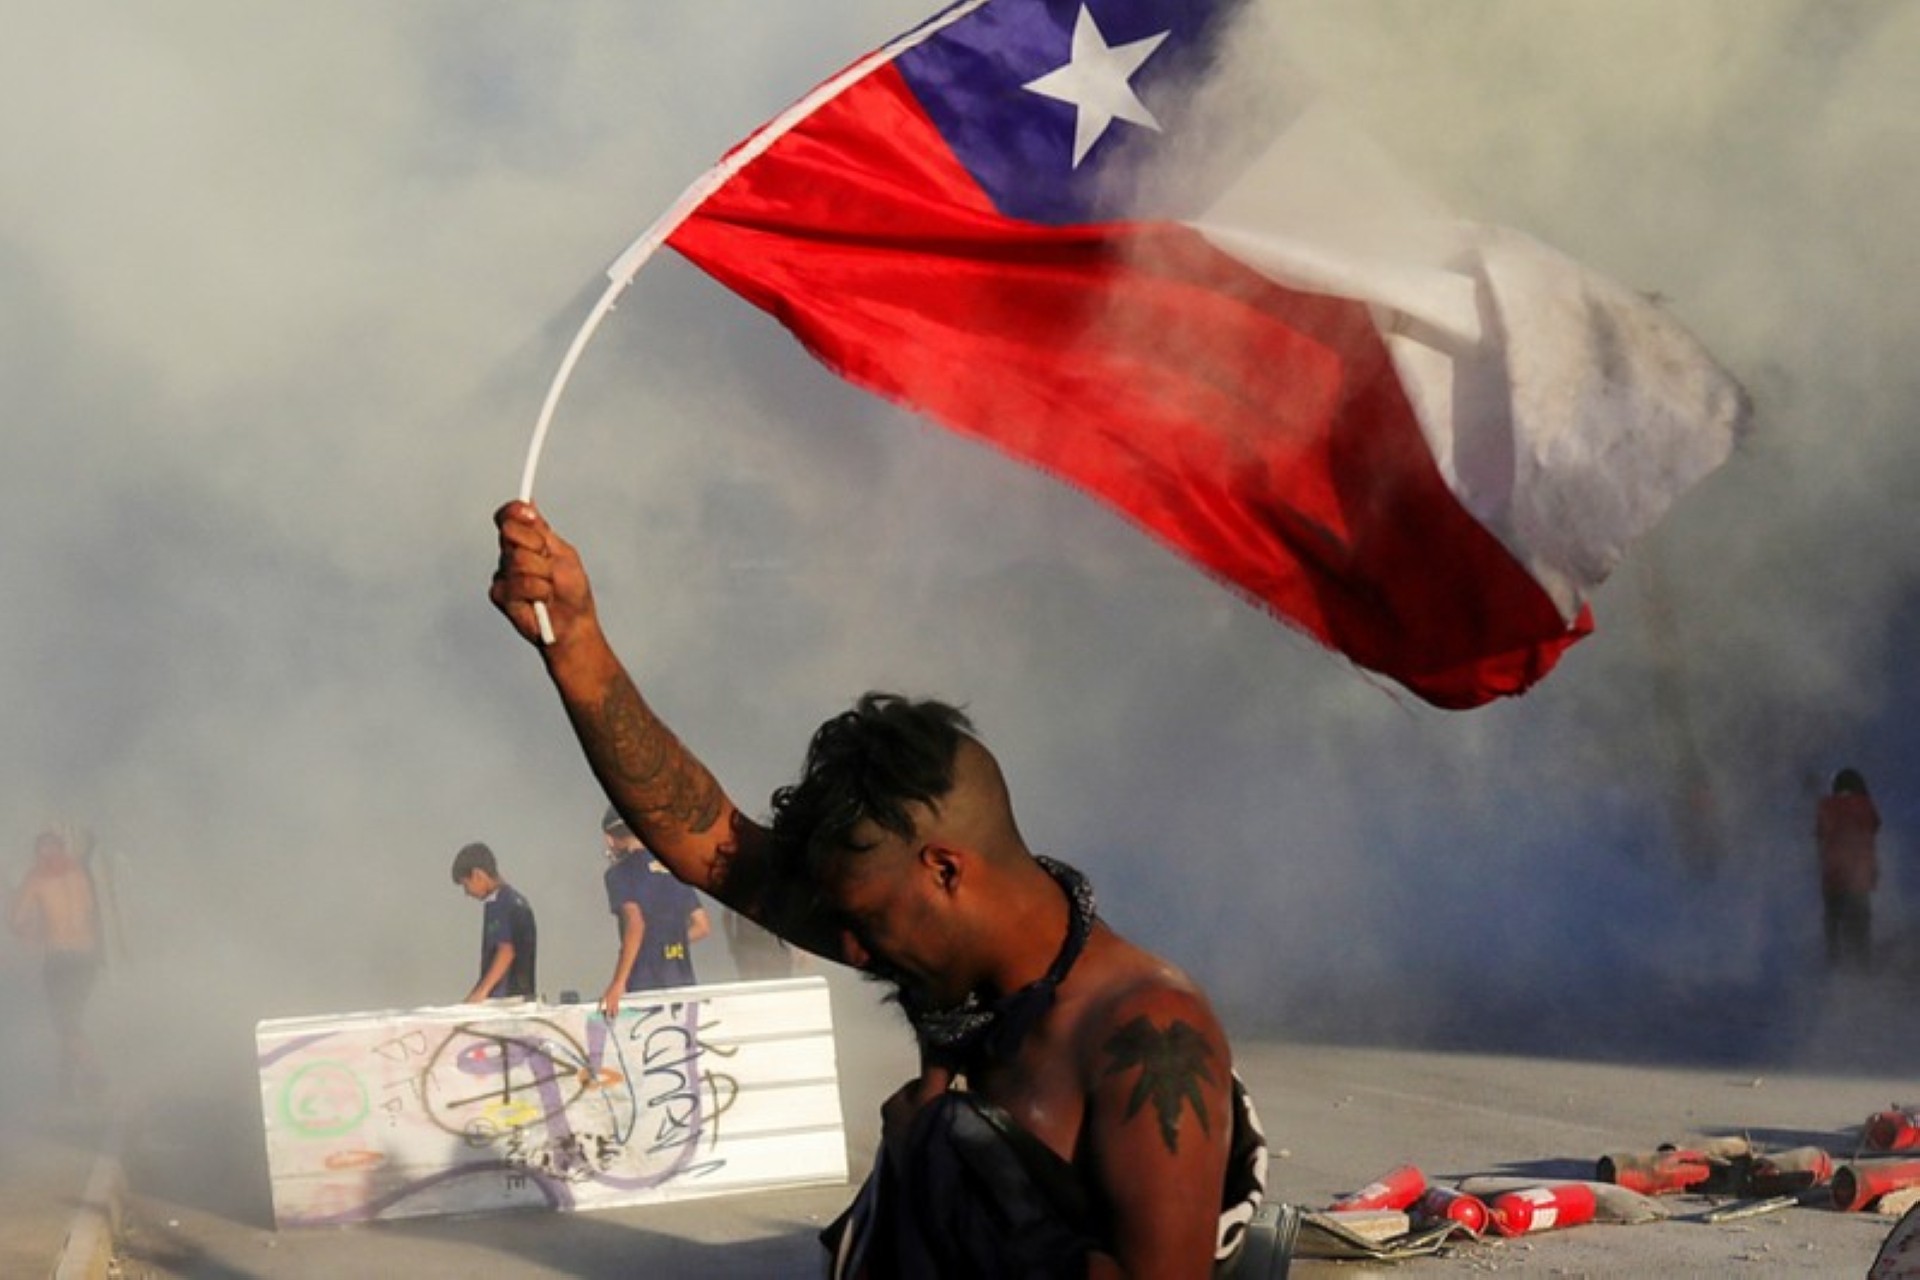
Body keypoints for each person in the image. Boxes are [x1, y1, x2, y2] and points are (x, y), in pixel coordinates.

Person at [491, 501, 1266, 1279]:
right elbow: (711, 843)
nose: (851, 948)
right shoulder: (943, 960)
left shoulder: (1149, 1041)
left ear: (946, 869)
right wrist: (576, 643)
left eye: (864, 920)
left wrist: (954, 1168)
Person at [8, 828, 103, 1097]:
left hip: (61, 956)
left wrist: (34, 935)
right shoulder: (80, 873)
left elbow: (16, 920)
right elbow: (91, 913)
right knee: (71, 1020)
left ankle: (94, 1071)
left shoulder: (37, 879)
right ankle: (67, 1086)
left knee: (66, 1023)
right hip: (87, 956)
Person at [599, 805, 711, 1014]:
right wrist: (669, 941)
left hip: (646, 983)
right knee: (683, 1042)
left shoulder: (619, 874)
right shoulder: (674, 868)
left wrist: (618, 983)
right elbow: (702, 926)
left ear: (610, 838)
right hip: (683, 981)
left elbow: (635, 922)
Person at [450, 842, 538, 1001]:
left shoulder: (501, 904)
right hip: (523, 996)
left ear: (478, 875)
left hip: (505, 1001)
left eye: (466, 885)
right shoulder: (517, 901)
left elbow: (506, 951)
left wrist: (481, 992)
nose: (467, 893)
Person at [1816, 767, 1880, 970]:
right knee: (1859, 924)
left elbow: (1819, 833)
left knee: (1833, 921)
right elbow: (1875, 825)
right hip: (1858, 877)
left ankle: (1833, 963)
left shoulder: (1825, 806)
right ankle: (1862, 966)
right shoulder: (1865, 805)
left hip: (1833, 877)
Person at [722, 902, 800, 981]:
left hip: (768, 943)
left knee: (772, 978)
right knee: (750, 979)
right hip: (748, 942)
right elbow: (727, 916)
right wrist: (731, 942)